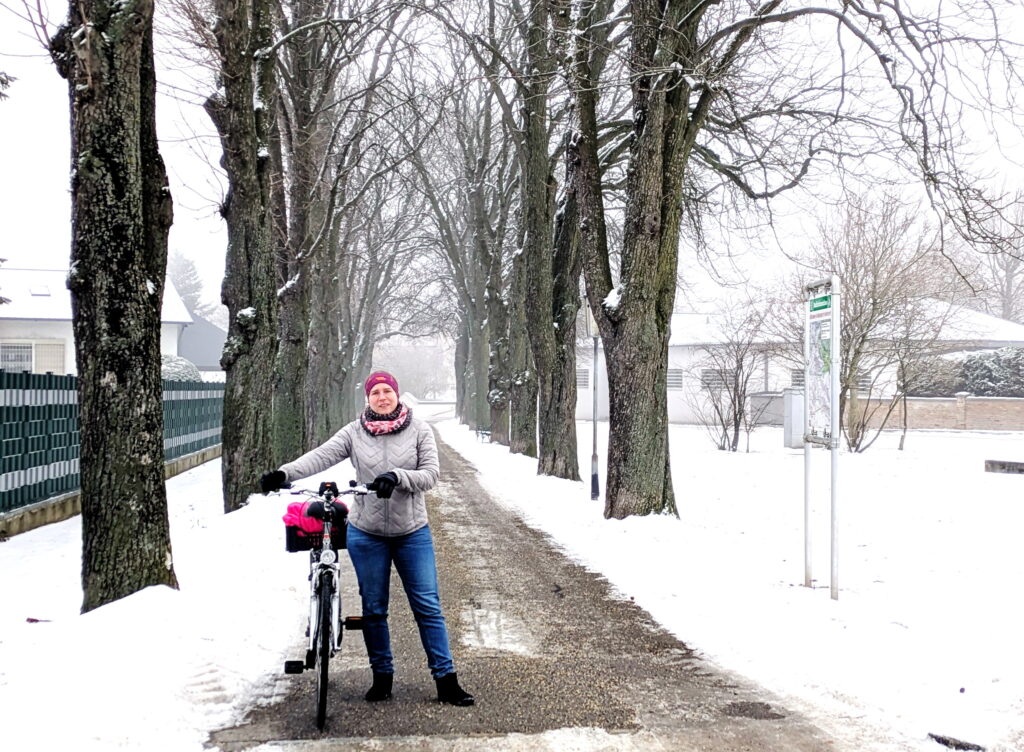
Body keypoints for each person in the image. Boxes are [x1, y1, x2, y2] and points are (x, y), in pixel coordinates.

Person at [259, 371, 473, 707]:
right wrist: (284, 473)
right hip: (367, 532)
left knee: (428, 607)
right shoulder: (354, 431)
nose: (383, 396)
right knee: (374, 609)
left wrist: (397, 477)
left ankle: (446, 680)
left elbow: (431, 474)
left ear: (397, 395)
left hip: (412, 532)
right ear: (368, 398)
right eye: (376, 392)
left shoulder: (419, 430)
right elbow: (321, 455)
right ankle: (382, 677)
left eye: (388, 391)